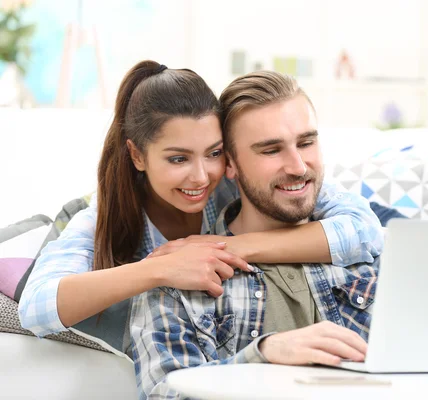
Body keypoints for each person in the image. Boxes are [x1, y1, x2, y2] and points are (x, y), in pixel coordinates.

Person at [18, 61, 384, 353]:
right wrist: (160, 269)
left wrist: (226, 248)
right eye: (178, 159)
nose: (200, 177)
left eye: (213, 153)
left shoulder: (235, 182)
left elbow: (364, 230)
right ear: (137, 155)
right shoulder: (103, 216)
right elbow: (35, 309)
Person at [130, 71, 379, 399]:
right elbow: (166, 393)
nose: (298, 166)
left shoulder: (369, 250)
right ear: (229, 165)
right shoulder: (178, 279)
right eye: (271, 150)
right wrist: (262, 355)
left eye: (306, 143)